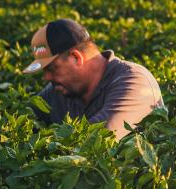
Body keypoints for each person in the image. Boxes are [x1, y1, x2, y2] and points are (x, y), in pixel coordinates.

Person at [22, 18, 164, 140]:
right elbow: (21, 117)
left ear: (76, 58)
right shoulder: (58, 90)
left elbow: (95, 140)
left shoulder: (133, 82)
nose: (47, 77)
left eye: (52, 69)